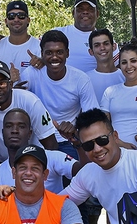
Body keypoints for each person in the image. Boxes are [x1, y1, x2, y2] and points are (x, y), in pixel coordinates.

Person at [19, 30, 99, 158]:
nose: (54, 57)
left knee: (74, 175)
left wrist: (75, 130)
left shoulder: (80, 79)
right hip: (38, 141)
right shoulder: (31, 74)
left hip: (67, 141)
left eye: (59, 52)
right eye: (49, 53)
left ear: (67, 53)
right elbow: (18, 106)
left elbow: (92, 116)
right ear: (42, 54)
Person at [0, 60, 58, 162]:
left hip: (32, 158)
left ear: (10, 84)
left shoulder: (30, 101)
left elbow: (51, 145)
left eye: (2, 83)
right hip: (1, 161)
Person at [0, 109, 80, 200]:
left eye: (21, 126)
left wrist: (62, 199)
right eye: (9, 126)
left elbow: (84, 172)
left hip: (55, 216)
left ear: (29, 134)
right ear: (3, 133)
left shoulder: (52, 157)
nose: (14, 131)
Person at [52, 0, 100, 73]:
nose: (85, 12)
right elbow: (39, 56)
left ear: (97, 14)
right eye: (80, 9)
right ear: (73, 13)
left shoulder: (105, 40)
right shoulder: (57, 33)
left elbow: (117, 66)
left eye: (90, 9)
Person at [0, 0, 40, 73]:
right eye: (11, 16)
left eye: (21, 16)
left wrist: (42, 63)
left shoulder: (39, 47)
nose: (16, 19)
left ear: (28, 20)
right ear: (6, 21)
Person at [85, 28, 123, 102]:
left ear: (114, 47)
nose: (102, 48)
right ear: (91, 52)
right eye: (97, 45)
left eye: (106, 44)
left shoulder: (126, 76)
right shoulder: (85, 80)